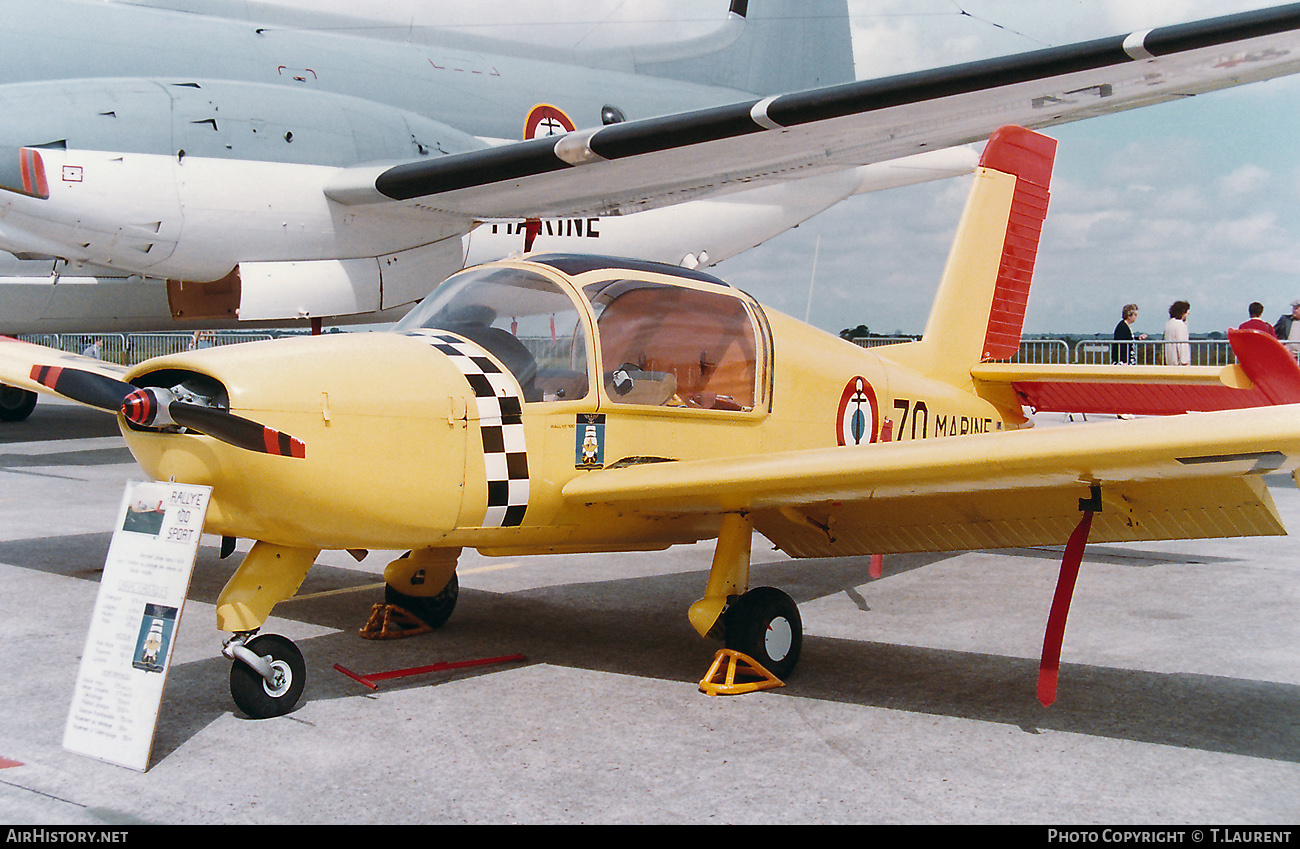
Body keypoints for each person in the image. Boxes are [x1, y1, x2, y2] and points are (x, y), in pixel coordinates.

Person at [1163, 301, 1191, 365]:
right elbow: (1182, 344)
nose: (1188, 313)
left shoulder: (1168, 323)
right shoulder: (1180, 325)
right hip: (1178, 363)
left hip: (1169, 362)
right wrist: (1185, 362)